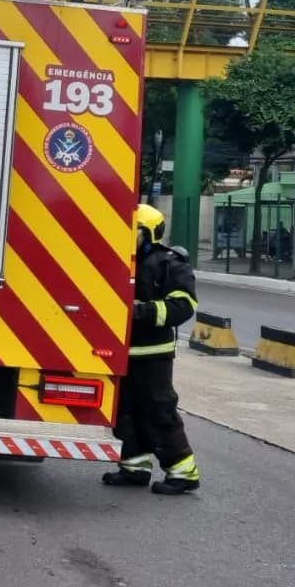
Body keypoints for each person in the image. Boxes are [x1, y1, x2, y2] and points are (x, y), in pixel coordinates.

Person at [103, 204, 202, 495]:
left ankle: (183, 473)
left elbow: (184, 305)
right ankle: (134, 468)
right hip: (121, 352)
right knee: (124, 411)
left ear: (149, 233)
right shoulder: (121, 261)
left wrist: (142, 311)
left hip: (152, 354)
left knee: (159, 411)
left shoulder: (169, 263)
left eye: (136, 231)